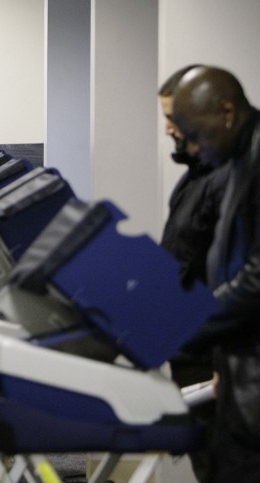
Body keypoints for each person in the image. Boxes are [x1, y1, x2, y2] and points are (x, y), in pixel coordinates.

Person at [173, 65, 260, 482]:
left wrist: (187, 326)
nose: (192, 147)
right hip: (238, 365)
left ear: (227, 111)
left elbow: (257, 280)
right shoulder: (237, 161)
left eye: (197, 135)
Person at [157, 65, 228, 483]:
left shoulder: (231, 180)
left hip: (215, 354)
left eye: (174, 118)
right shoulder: (194, 178)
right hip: (189, 348)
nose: (168, 129)